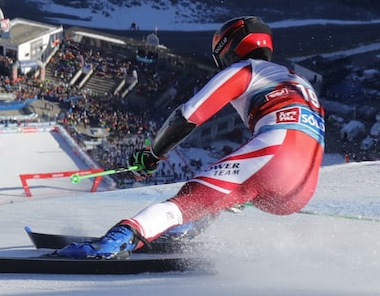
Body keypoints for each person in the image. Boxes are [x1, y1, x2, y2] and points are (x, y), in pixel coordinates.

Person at [56, 16, 325, 259]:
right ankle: (181, 231)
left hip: (275, 156)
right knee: (225, 190)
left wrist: (153, 155)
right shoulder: (298, 81)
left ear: (229, 48)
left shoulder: (245, 71)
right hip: (301, 186)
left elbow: (187, 115)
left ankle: (111, 244)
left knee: (184, 201)